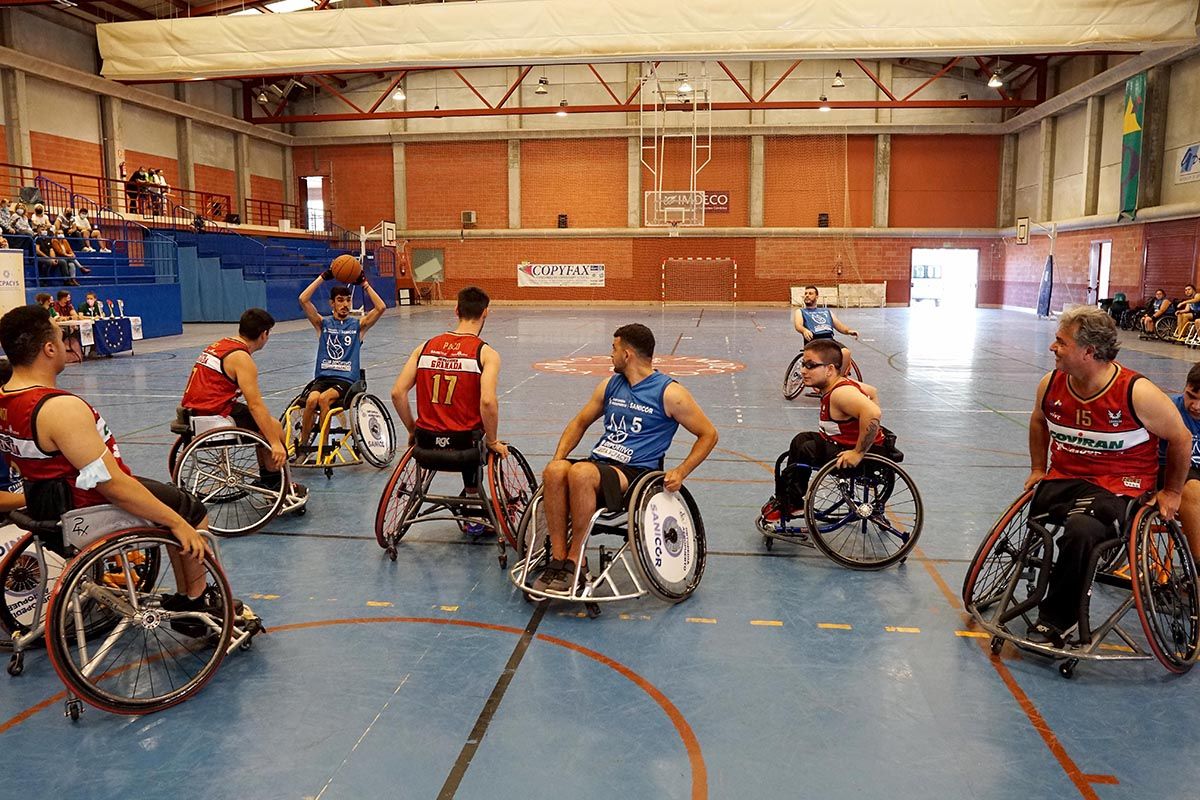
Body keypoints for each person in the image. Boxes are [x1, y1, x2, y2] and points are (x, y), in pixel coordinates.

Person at [0, 305, 214, 615]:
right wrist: (177, 523)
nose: (64, 346)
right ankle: (196, 604)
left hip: (43, 505)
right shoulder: (58, 408)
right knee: (189, 510)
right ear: (48, 348)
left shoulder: (5, 398)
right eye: (61, 340)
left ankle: (188, 596)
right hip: (85, 509)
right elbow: (111, 484)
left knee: (165, 500)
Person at [1024, 306, 1191, 646]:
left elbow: (1181, 437)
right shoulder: (1051, 383)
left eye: (1061, 342)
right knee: (1039, 510)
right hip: (1065, 478)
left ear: (1089, 351)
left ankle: (1057, 619)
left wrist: (1172, 491)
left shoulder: (1137, 392)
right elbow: (1039, 421)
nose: (1052, 348)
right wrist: (1038, 468)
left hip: (1119, 487)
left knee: (1081, 531)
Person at [534, 323, 718, 593]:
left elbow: (709, 434)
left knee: (581, 473)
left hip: (635, 473)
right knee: (554, 471)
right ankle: (558, 560)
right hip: (601, 464)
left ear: (627, 354)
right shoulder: (610, 385)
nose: (611, 355)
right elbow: (579, 422)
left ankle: (576, 563)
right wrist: (558, 459)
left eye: (614, 348)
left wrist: (681, 471)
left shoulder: (670, 393)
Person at [390, 286, 507, 536]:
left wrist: (413, 429)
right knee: (478, 433)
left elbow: (397, 393)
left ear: (456, 310)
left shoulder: (424, 347)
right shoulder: (485, 353)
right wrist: (494, 440)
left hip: (425, 446)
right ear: (485, 313)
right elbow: (487, 402)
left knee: (462, 429)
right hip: (465, 449)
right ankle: (474, 510)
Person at [761, 338, 891, 523]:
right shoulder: (838, 384)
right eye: (803, 364)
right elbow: (872, 391)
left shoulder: (840, 393)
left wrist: (858, 452)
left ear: (830, 369)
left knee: (808, 449)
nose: (803, 370)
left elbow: (873, 412)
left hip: (865, 458)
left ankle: (790, 502)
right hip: (842, 442)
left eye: (810, 365)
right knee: (801, 440)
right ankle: (790, 501)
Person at [180, 308, 302, 496]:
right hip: (214, 415)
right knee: (275, 428)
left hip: (195, 410)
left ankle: (268, 477)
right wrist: (275, 443)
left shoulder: (221, 344)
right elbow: (255, 405)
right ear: (264, 334)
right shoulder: (242, 359)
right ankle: (276, 485)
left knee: (262, 424)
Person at [296, 263, 387, 451]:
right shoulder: (323, 324)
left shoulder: (357, 326)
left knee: (323, 400)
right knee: (311, 400)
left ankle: (323, 445)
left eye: (347, 300)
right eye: (340, 300)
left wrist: (364, 283)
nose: (345, 304)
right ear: (332, 303)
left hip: (346, 381)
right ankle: (304, 445)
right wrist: (323, 276)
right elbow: (303, 299)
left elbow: (380, 307)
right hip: (323, 378)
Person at [1164, 364, 1200, 560]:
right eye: (1191, 396)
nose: (1196, 406)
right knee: (1193, 488)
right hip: (1173, 471)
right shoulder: (1168, 410)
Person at [793, 285, 858, 380]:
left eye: (810, 293)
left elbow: (839, 325)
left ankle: (838, 379)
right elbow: (798, 325)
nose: (807, 295)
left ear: (817, 297)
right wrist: (804, 330)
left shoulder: (826, 311)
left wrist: (848, 331)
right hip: (814, 341)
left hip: (829, 340)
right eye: (805, 293)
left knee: (846, 353)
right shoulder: (801, 311)